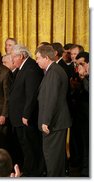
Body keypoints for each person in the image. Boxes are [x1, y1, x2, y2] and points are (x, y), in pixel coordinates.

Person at [8, 44, 45, 177]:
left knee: (31, 147)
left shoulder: (31, 69)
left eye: (13, 57)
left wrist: (26, 115)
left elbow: (32, 95)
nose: (12, 60)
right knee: (26, 147)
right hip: (19, 117)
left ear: (21, 56)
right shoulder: (22, 68)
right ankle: (29, 171)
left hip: (26, 118)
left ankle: (33, 173)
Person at [35, 45, 72, 177]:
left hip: (54, 124)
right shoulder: (53, 70)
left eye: (38, 58)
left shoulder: (54, 72)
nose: (37, 61)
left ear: (46, 57)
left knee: (52, 159)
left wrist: (46, 121)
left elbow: (51, 99)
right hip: (56, 122)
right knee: (55, 158)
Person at [73, 52, 89, 177]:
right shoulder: (81, 77)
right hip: (82, 117)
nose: (79, 68)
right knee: (84, 144)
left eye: (82, 64)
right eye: (77, 65)